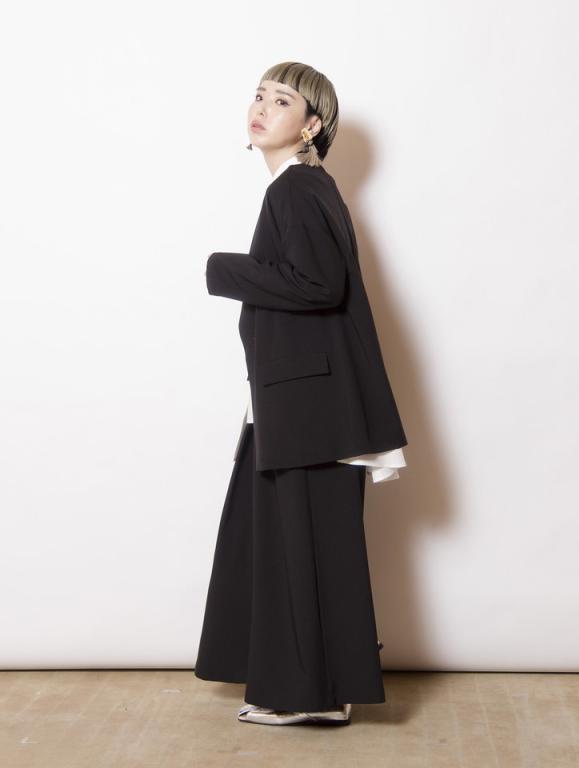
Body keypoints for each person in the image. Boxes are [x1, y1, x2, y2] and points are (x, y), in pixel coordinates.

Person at [194, 61, 408, 727]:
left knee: (301, 545)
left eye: (281, 100)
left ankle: (306, 696)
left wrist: (225, 269)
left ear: (312, 124)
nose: (261, 107)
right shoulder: (305, 189)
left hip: (307, 404)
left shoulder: (296, 189)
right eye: (258, 95)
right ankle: (313, 691)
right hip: (296, 400)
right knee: (294, 543)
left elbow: (319, 285)